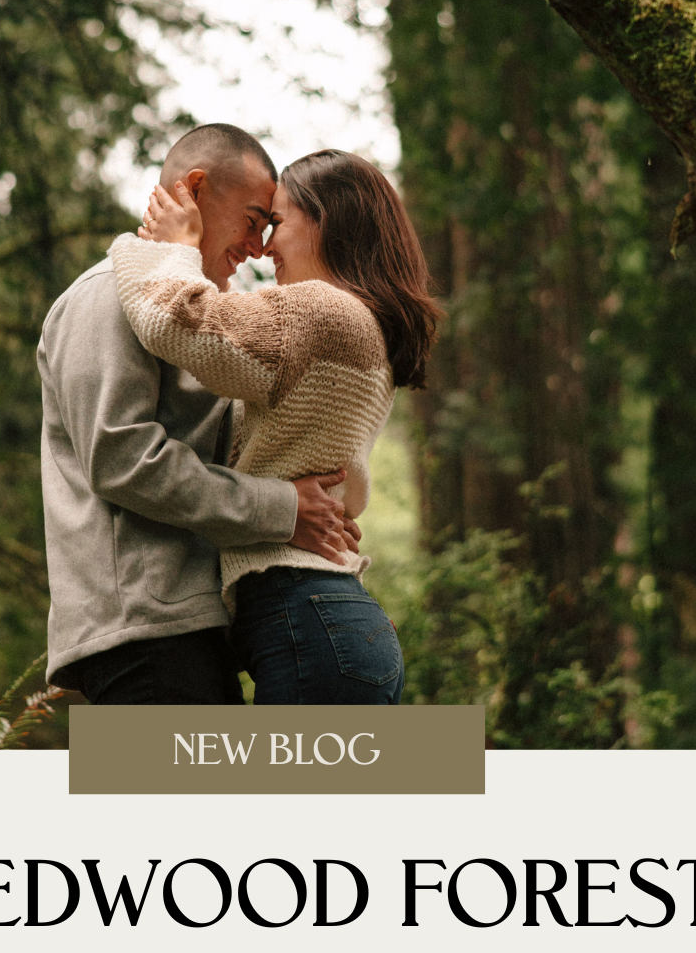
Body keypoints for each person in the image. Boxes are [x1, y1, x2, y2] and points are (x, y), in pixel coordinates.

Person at [37, 124, 359, 706]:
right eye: (255, 219)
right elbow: (122, 459)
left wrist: (320, 512)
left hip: (189, 629)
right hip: (143, 634)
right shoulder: (105, 296)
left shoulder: (195, 320)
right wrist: (283, 509)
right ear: (194, 189)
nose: (259, 246)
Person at [113, 148, 438, 704]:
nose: (264, 247)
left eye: (278, 223)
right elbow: (242, 347)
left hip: (308, 614)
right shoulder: (359, 324)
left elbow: (178, 320)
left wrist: (160, 247)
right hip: (331, 620)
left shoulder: (323, 312)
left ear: (326, 222)